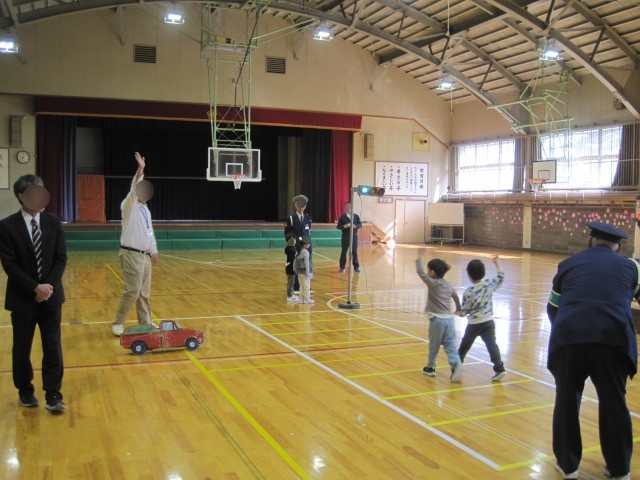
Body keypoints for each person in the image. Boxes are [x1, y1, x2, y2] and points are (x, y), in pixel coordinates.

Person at [547, 222, 637, 480]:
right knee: (614, 404)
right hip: (612, 341)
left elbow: (552, 307)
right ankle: (619, 469)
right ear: (618, 248)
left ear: (589, 242)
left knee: (566, 401)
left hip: (569, 340)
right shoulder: (631, 267)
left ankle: (568, 466)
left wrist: (568, 329)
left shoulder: (567, 265)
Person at [0, 174, 67, 413]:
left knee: (52, 345)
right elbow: (10, 265)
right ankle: (25, 391)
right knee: (22, 346)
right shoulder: (7, 226)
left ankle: (53, 394)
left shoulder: (53, 222)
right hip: (22, 298)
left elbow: (61, 258)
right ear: (22, 196)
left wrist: (47, 287)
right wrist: (34, 287)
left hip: (51, 297)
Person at [111, 152, 159, 336]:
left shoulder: (145, 209)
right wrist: (140, 170)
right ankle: (118, 322)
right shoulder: (128, 206)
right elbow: (134, 189)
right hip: (131, 254)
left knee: (144, 293)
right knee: (133, 290)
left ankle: (146, 323)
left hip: (145, 256)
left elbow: (149, 231)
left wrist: (153, 250)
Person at [415, 249, 463, 382]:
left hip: (437, 321)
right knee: (450, 344)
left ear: (432, 272)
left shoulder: (433, 283)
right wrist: (459, 309)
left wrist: (419, 257)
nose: (427, 272)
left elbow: (420, 272)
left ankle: (430, 368)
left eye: (428, 270)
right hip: (449, 320)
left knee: (434, 345)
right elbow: (455, 297)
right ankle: (456, 363)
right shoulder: (448, 284)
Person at [457, 255, 507, 382]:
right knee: (492, 345)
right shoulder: (489, 284)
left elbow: (465, 310)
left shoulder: (469, 292)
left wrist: (458, 312)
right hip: (488, 322)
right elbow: (501, 277)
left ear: (469, 275)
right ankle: (499, 368)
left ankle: (456, 368)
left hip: (474, 324)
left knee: (464, 347)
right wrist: (497, 263)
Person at [284, 195, 312, 294]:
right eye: (298, 204)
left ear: (305, 206)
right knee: (296, 266)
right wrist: (291, 239)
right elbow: (287, 233)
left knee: (307, 265)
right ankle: (296, 287)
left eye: (302, 204)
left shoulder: (308, 217)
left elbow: (308, 231)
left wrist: (308, 242)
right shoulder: (291, 218)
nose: (301, 207)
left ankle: (307, 287)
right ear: (295, 205)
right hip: (296, 245)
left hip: (306, 245)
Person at [337, 201, 362, 273]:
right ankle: (342, 267)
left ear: (352, 207)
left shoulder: (356, 216)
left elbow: (360, 224)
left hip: (354, 236)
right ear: (345, 208)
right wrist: (343, 226)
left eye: (349, 206)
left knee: (354, 251)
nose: (348, 207)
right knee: (344, 251)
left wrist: (355, 226)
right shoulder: (342, 217)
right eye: (346, 206)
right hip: (345, 236)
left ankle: (356, 267)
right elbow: (338, 226)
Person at [293, 235, 314, 305]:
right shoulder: (306, 252)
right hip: (305, 272)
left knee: (301, 286)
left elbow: (295, 261)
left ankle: (301, 299)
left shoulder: (298, 251)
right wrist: (308, 273)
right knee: (307, 286)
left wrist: (294, 269)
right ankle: (306, 299)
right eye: (309, 244)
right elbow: (307, 264)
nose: (309, 245)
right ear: (305, 245)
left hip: (299, 272)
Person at [284, 235, 298, 302]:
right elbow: (293, 260)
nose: (294, 240)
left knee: (291, 282)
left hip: (289, 268)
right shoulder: (292, 250)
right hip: (291, 269)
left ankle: (291, 294)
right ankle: (290, 296)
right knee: (291, 283)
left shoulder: (290, 249)